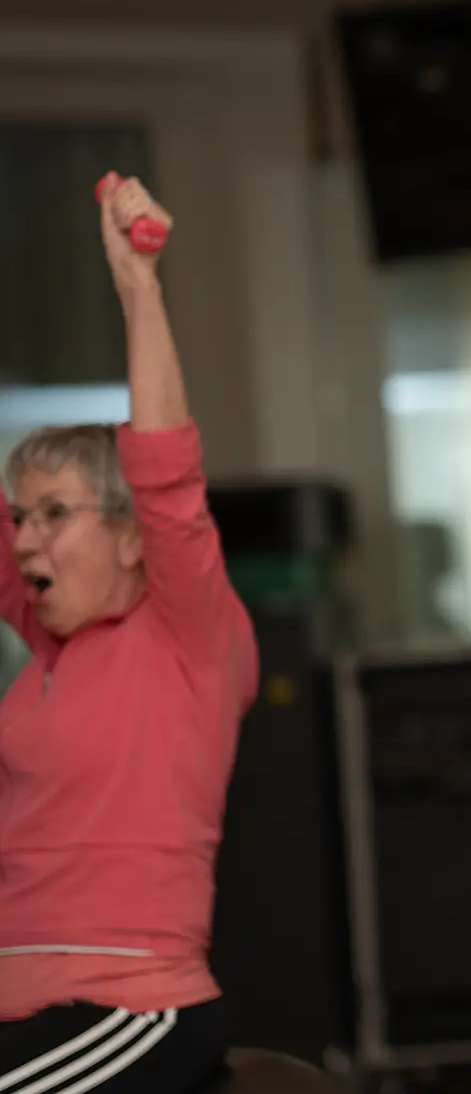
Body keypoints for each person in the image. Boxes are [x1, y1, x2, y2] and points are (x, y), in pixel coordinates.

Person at [0, 177, 259, 1094]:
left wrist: (136, 282)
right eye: (19, 517)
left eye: (53, 513)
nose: (25, 538)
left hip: (128, 1010)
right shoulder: (47, 645)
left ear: (126, 535)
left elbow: (165, 469)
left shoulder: (188, 636)